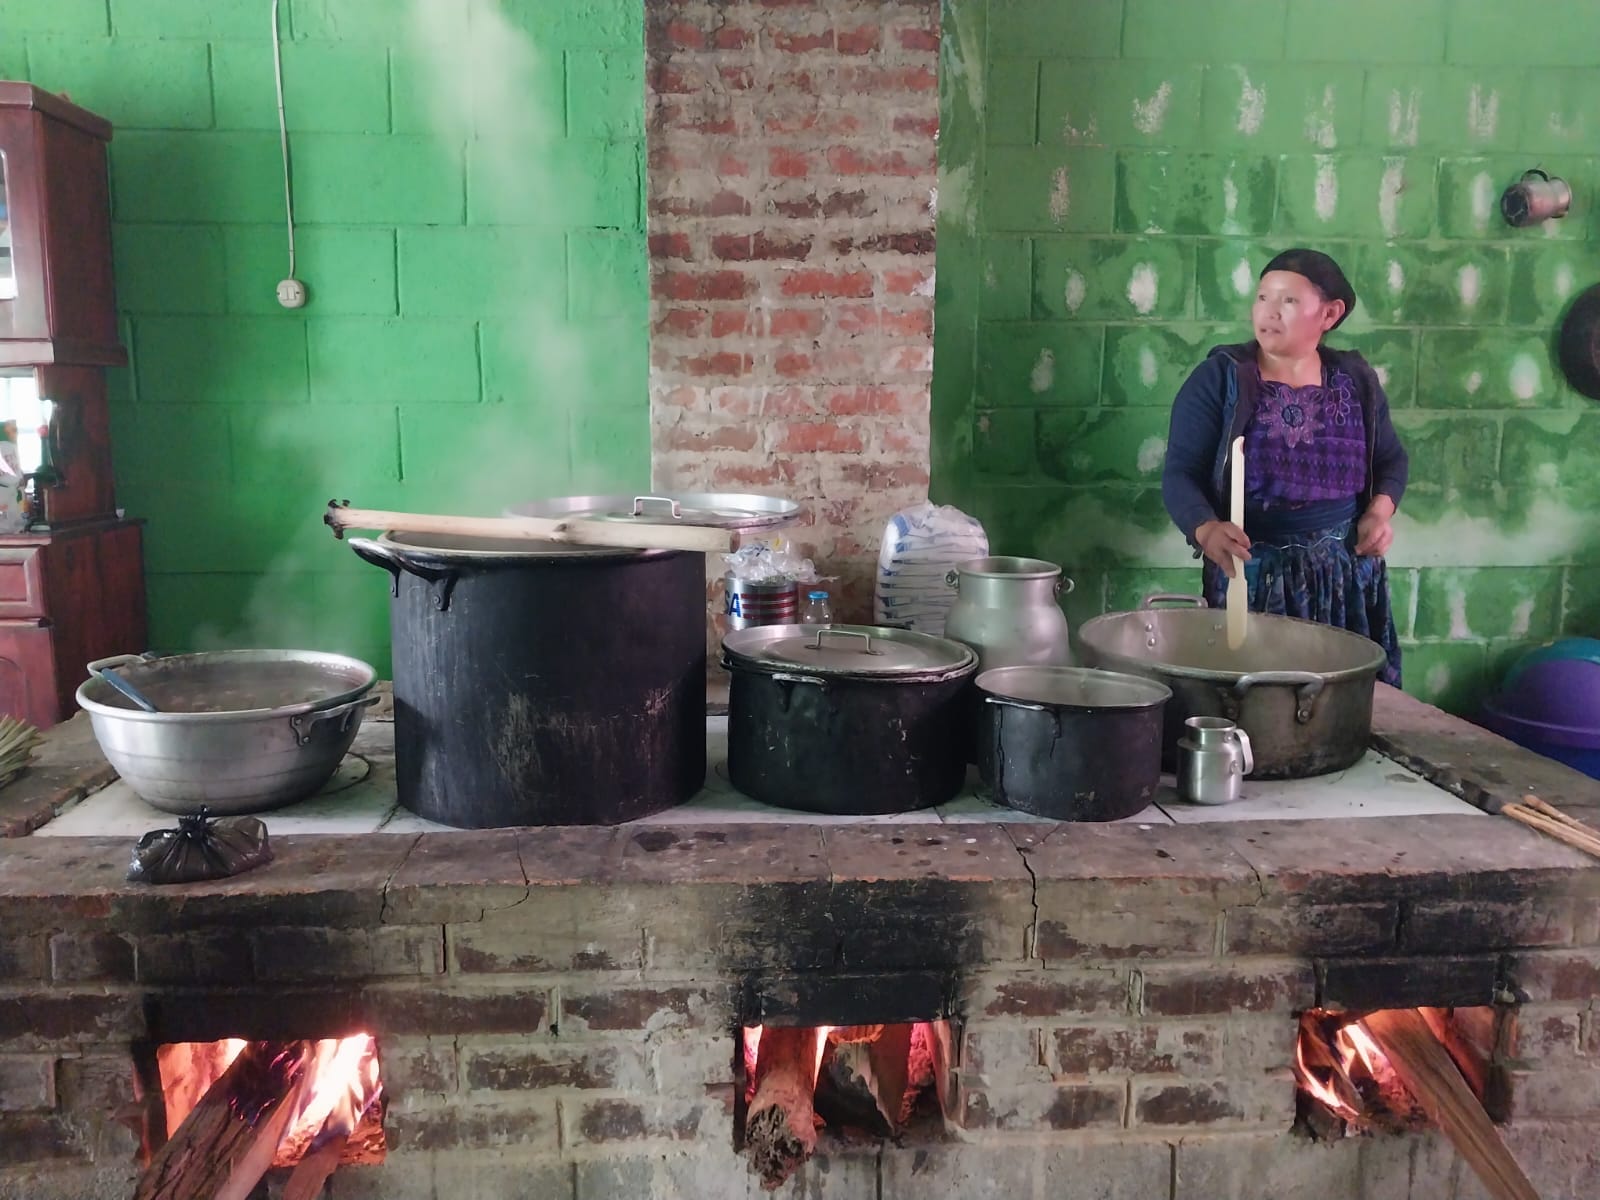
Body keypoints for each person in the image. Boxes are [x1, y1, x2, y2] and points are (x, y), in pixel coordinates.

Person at [1160, 248, 1407, 685]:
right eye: (1262, 298)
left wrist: (1378, 513)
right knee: (1256, 704)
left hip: (1344, 577)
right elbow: (1180, 473)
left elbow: (1391, 461)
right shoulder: (1221, 379)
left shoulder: (1356, 381)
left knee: (1344, 706)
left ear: (1329, 314)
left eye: (1288, 301)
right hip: (1254, 574)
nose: (1269, 312)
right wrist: (1206, 529)